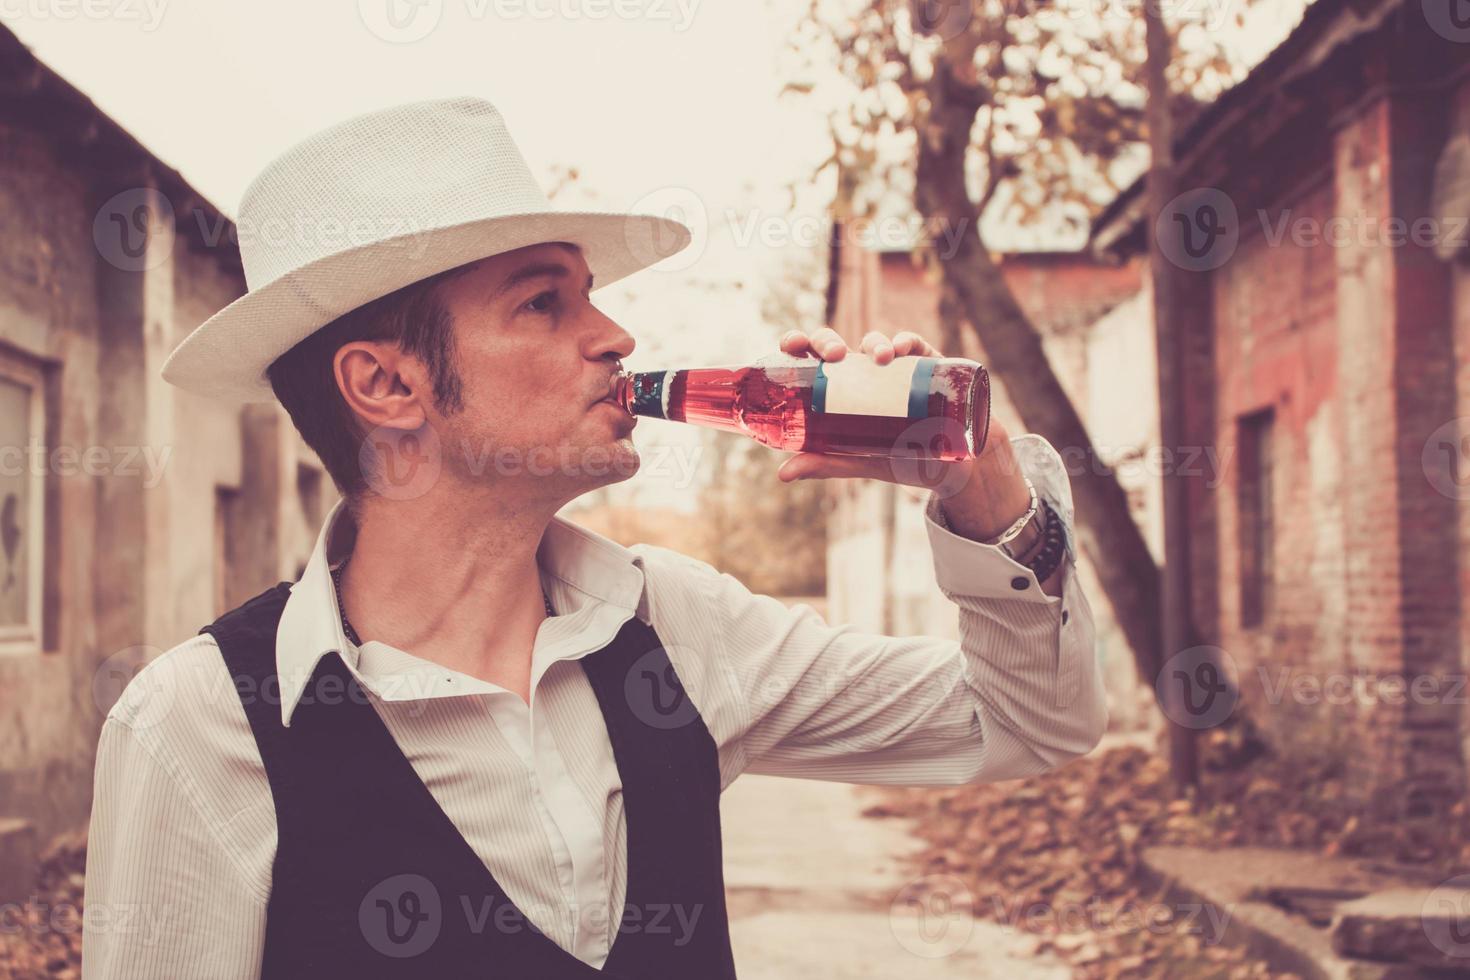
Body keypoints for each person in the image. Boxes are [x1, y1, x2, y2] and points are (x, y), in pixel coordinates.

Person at [82, 96, 1104, 979]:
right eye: (543, 300)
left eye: (590, 292)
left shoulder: (680, 628)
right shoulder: (197, 726)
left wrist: (985, 489)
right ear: (386, 384)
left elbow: (1026, 720)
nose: (614, 335)